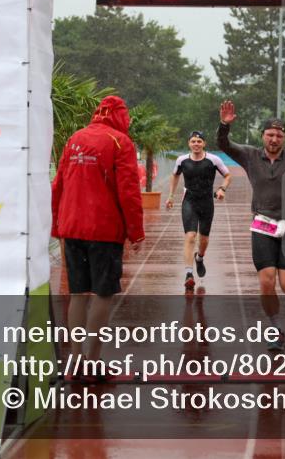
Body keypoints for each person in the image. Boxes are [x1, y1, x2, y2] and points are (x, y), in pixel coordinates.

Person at [217, 99, 285, 351]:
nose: (274, 139)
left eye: (279, 135)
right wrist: (224, 125)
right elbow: (224, 144)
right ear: (262, 136)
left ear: (284, 137)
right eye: (270, 134)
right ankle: (275, 328)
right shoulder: (249, 156)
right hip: (262, 223)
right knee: (266, 281)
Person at [51, 95, 145, 381]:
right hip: (103, 230)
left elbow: (59, 185)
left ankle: (75, 360)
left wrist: (57, 225)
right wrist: (136, 231)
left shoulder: (75, 139)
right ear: (119, 115)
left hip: (72, 228)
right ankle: (92, 361)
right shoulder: (120, 142)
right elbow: (128, 191)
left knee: (78, 293)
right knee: (103, 293)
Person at [166, 130, 232, 291]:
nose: (196, 144)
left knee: (204, 240)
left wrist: (222, 189)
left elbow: (228, 175)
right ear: (189, 143)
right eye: (193, 141)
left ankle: (200, 258)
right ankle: (189, 274)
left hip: (207, 202)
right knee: (190, 236)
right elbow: (175, 176)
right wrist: (171, 196)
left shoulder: (213, 160)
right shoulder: (182, 160)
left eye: (199, 141)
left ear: (204, 144)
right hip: (189, 201)